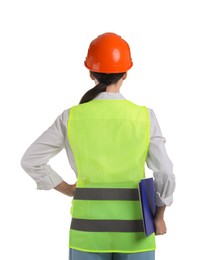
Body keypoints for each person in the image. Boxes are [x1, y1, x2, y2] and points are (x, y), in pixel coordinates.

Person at [21, 32, 176, 260]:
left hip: (87, 234)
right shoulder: (144, 117)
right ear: (126, 73)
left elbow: (31, 160)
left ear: (91, 73)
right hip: (136, 235)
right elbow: (165, 172)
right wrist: (160, 215)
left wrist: (67, 188)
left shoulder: (71, 117)